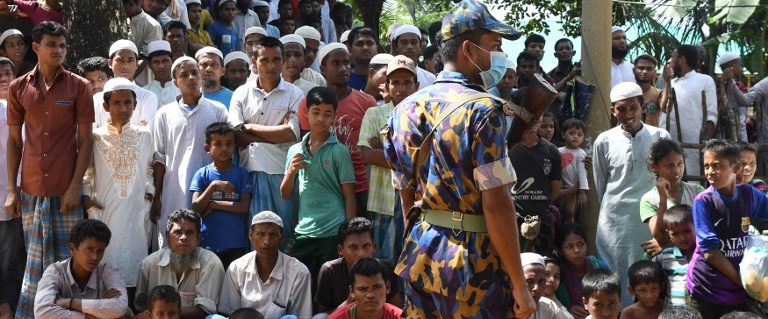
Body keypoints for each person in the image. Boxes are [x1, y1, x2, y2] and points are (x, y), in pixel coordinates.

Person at [382, 0, 537, 317]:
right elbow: (496, 203)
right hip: (473, 264)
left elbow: (405, 197)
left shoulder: (403, 111)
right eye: (494, 46)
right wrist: (521, 287)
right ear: (469, 49)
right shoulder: (481, 110)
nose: (499, 55)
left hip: (419, 255)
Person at [5, 21, 95, 319]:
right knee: (35, 260)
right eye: (51, 45)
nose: (58, 50)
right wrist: (11, 190)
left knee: (68, 263)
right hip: (30, 190)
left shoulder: (79, 86)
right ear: (36, 47)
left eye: (62, 45)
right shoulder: (18, 88)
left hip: (64, 189)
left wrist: (74, 187)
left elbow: (85, 141)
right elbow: (15, 142)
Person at [593, 81, 671, 307]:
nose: (628, 114)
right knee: (614, 276)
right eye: (621, 108)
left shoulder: (660, 136)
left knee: (648, 275)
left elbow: (668, 177)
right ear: (612, 110)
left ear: (643, 106)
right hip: (614, 223)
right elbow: (602, 184)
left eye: (633, 107)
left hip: (649, 220)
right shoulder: (604, 141)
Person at [82, 78, 155, 300]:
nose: (123, 109)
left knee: (134, 264)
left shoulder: (145, 136)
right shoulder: (95, 137)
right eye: (117, 103)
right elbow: (87, 172)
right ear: (106, 107)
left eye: (128, 103)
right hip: (105, 210)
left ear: (135, 105)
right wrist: (86, 198)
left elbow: (150, 168)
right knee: (106, 260)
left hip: (135, 211)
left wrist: (149, 194)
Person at [228, 36, 304, 246]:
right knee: (253, 235)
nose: (271, 66)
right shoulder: (241, 93)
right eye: (264, 60)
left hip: (281, 173)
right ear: (254, 61)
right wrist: (275, 133)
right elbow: (237, 135)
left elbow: (291, 135)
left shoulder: (295, 93)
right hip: (247, 173)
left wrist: (249, 127)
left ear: (283, 61)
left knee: (283, 233)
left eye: (276, 59)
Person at [151, 56, 228, 249]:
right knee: (173, 240)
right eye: (184, 75)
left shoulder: (217, 110)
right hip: (172, 190)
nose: (191, 78)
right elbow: (159, 156)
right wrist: (157, 196)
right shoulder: (164, 114)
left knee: (205, 243)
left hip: (207, 188)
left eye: (194, 73)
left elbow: (226, 151)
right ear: (175, 81)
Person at [282, 86, 356, 281]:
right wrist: (291, 172)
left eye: (327, 114)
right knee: (298, 283)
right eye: (315, 112)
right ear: (305, 112)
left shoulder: (339, 151)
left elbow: (349, 194)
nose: (320, 119)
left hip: (333, 230)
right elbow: (285, 193)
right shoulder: (295, 150)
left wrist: (348, 233)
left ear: (334, 116)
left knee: (328, 285)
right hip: (304, 230)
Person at [687, 139, 768, 319]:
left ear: (736, 168)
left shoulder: (748, 193)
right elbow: (710, 253)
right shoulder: (704, 201)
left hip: (737, 289)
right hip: (707, 287)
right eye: (706, 166)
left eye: (716, 166)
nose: (710, 172)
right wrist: (743, 283)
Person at [298, 43, 377, 217]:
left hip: (358, 185)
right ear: (323, 68)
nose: (343, 68)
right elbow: (307, 146)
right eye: (336, 63)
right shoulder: (308, 104)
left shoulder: (367, 102)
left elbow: (373, 144)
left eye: (346, 62)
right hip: (324, 186)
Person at [358, 55, 416, 261]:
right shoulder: (374, 114)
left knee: (410, 256)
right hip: (382, 199)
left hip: (416, 200)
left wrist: (385, 152)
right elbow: (367, 155)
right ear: (387, 85)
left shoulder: (424, 116)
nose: (401, 88)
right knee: (382, 258)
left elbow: (426, 158)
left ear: (416, 85)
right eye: (395, 82)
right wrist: (409, 157)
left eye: (407, 82)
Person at [218, 211, 312, 318]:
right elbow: (229, 312)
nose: (266, 241)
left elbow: (300, 316)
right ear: (250, 235)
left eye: (273, 235)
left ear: (281, 238)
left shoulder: (299, 272)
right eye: (260, 234)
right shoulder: (236, 268)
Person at [135, 209, 226, 318]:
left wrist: (165, 314)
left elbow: (205, 310)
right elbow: (140, 307)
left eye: (190, 232)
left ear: (198, 238)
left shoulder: (211, 263)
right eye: (178, 232)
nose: (183, 237)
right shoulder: (149, 264)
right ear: (168, 237)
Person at [33, 219, 129, 318]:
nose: (95, 257)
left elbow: (120, 307)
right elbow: (42, 313)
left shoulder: (109, 271)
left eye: (100, 251)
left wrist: (70, 303)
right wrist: (91, 315)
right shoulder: (55, 272)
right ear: (72, 249)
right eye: (89, 249)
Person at [190, 122, 252, 268]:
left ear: (235, 146)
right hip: (208, 245)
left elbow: (244, 206)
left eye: (229, 144)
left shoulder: (241, 173)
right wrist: (214, 186)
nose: (224, 148)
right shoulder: (202, 174)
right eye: (218, 144)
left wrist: (214, 204)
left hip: (236, 244)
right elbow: (196, 207)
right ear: (207, 148)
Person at [315, 218, 402, 317]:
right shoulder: (329, 270)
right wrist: (348, 303)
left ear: (374, 247)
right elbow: (323, 313)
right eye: (353, 247)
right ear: (340, 250)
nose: (361, 254)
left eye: (366, 246)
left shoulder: (386, 268)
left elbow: (397, 310)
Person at [659, 45, 717, 176]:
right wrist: (667, 82)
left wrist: (705, 144)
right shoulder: (673, 83)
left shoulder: (705, 81)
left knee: (693, 179)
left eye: (673, 56)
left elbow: (711, 115)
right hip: (670, 142)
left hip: (693, 144)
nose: (670, 60)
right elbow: (664, 108)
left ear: (682, 59)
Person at [640, 138, 704, 249]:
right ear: (654, 167)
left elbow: (706, 228)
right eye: (669, 166)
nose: (676, 170)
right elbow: (660, 237)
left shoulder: (697, 191)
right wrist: (663, 199)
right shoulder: (649, 199)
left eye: (680, 163)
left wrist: (669, 243)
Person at [510, 120, 562, 254]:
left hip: (542, 220)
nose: (532, 119)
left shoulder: (551, 150)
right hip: (512, 219)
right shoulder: (506, 147)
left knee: (542, 262)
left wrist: (539, 205)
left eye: (538, 116)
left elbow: (555, 189)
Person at [94, 39, 159, 129]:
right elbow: (93, 133)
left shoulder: (148, 97)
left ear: (136, 64)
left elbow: (145, 133)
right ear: (110, 63)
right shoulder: (97, 99)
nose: (125, 65)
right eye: (120, 60)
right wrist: (135, 128)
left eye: (130, 60)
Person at [0, 57, 22, 319]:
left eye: (8, 73)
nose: (4, 78)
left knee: (15, 259)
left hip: (21, 195)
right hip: (5, 196)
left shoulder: (24, 108)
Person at [554, 222, 609, 319]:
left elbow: (611, 298)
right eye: (570, 246)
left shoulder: (599, 267)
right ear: (560, 250)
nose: (577, 250)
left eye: (581, 244)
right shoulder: (557, 276)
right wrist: (567, 309)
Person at [327, 257, 403, 319]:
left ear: (387, 287)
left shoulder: (399, 316)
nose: (370, 295)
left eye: (376, 287)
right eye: (363, 289)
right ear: (352, 291)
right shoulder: (336, 318)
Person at [654, 204, 696, 307]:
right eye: (675, 234)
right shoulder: (665, 256)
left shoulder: (706, 254)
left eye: (687, 231)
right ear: (668, 233)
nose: (682, 238)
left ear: (696, 226)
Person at [518, 253, 569, 319]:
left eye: (541, 281)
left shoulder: (549, 307)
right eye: (529, 281)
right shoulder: (503, 310)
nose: (536, 288)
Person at [558, 118, 588, 223]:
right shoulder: (558, 151)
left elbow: (582, 173)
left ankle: (570, 228)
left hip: (573, 189)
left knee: (570, 214)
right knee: (560, 213)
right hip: (560, 188)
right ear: (563, 135)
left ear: (583, 138)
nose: (575, 136)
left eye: (579, 135)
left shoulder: (581, 153)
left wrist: (582, 192)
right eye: (571, 133)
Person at [390, 24, 435, 90]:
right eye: (404, 43)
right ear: (396, 47)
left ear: (420, 46)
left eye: (414, 42)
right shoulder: (388, 76)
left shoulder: (431, 79)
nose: (409, 47)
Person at [719, 52, 748, 142]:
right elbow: (745, 101)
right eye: (740, 65)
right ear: (732, 66)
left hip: (731, 130)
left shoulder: (720, 83)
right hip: (737, 132)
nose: (741, 69)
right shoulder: (737, 85)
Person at [144, 40, 181, 107]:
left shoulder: (182, 90)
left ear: (172, 62)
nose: (161, 66)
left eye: (165, 61)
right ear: (149, 65)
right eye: (156, 62)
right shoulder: (144, 92)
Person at [633, 55, 661, 127]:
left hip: (652, 137)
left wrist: (668, 82)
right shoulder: (625, 93)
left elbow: (666, 108)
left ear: (654, 72)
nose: (645, 71)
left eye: (649, 69)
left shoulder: (659, 93)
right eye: (641, 68)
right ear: (633, 70)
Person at [348, 26, 378, 91]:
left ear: (377, 48)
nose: (365, 47)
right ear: (350, 50)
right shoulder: (344, 78)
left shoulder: (386, 76)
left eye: (370, 43)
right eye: (360, 44)